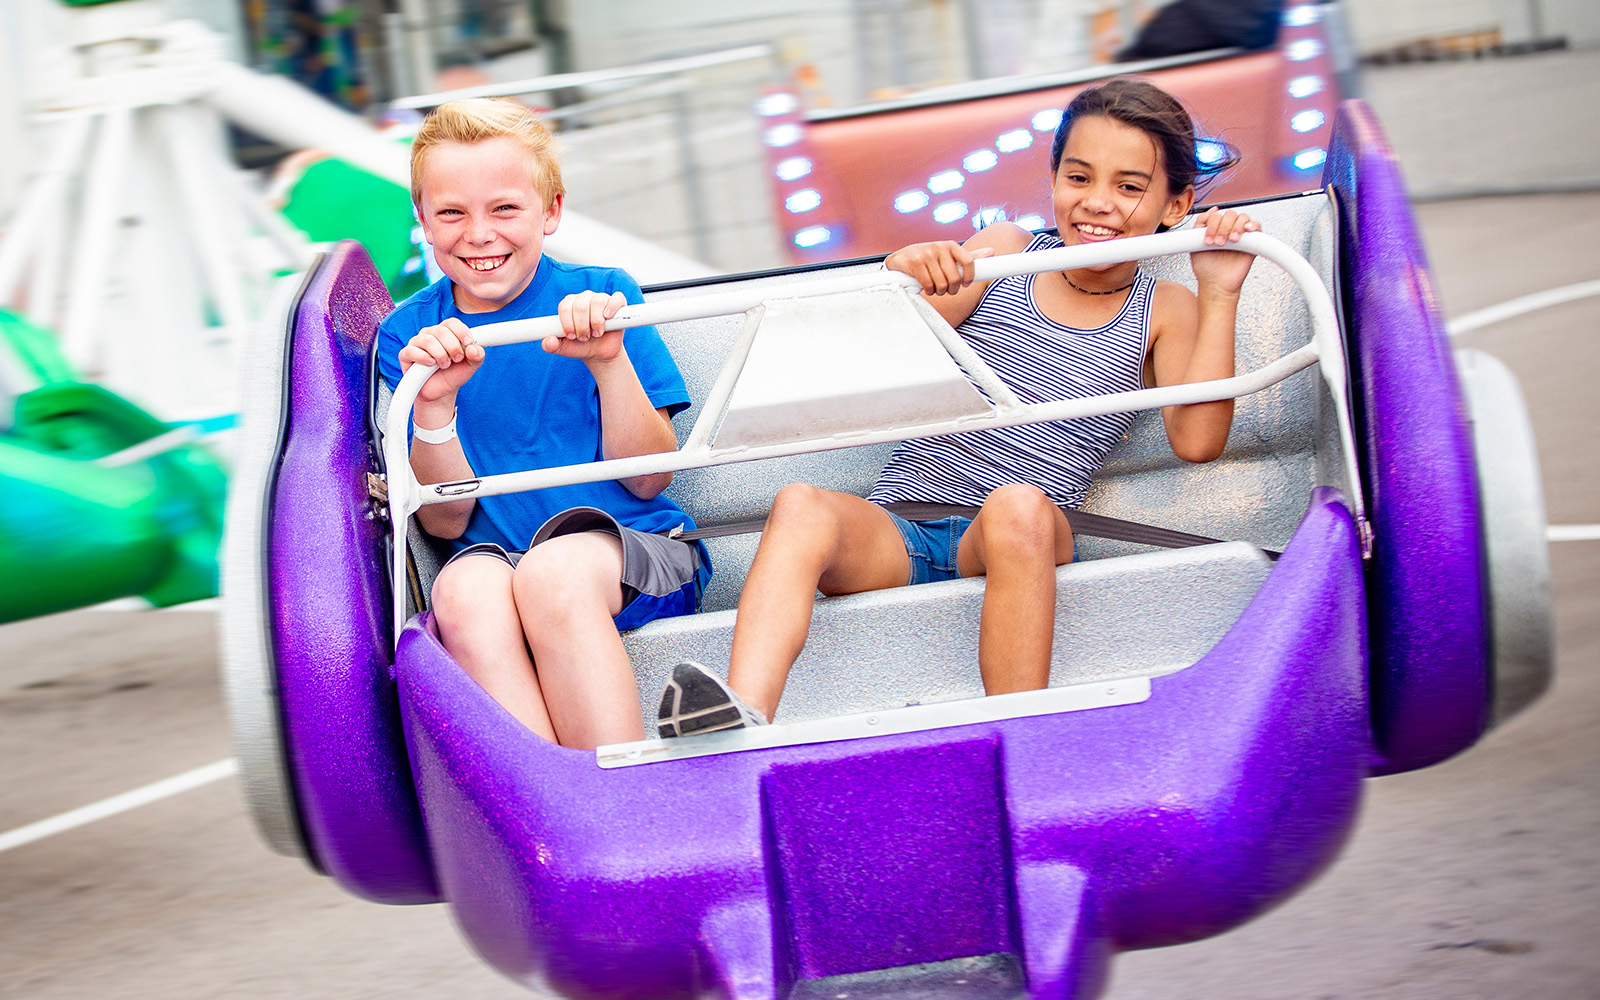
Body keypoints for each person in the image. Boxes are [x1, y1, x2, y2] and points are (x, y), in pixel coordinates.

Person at [657, 78, 1258, 737]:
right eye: (1078, 177)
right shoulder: (1006, 250)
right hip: (906, 522)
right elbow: (894, 335)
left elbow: (1198, 440)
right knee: (801, 504)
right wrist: (908, 270)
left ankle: (1016, 734)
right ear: (1053, 178)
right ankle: (738, 716)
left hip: (1018, 531)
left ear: (1175, 204)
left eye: (1128, 187)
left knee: (1017, 506)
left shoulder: (1164, 307)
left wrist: (1219, 289)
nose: (1097, 203)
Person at [376, 98, 708, 751]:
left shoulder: (606, 293)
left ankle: (620, 796)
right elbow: (443, 523)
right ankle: (561, 813)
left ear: (550, 212)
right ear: (423, 220)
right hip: (499, 556)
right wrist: (434, 407)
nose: (478, 233)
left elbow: (648, 481)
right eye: (451, 212)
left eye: (503, 208)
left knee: (552, 575)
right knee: (462, 592)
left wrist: (609, 363)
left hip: (636, 549)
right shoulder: (408, 335)